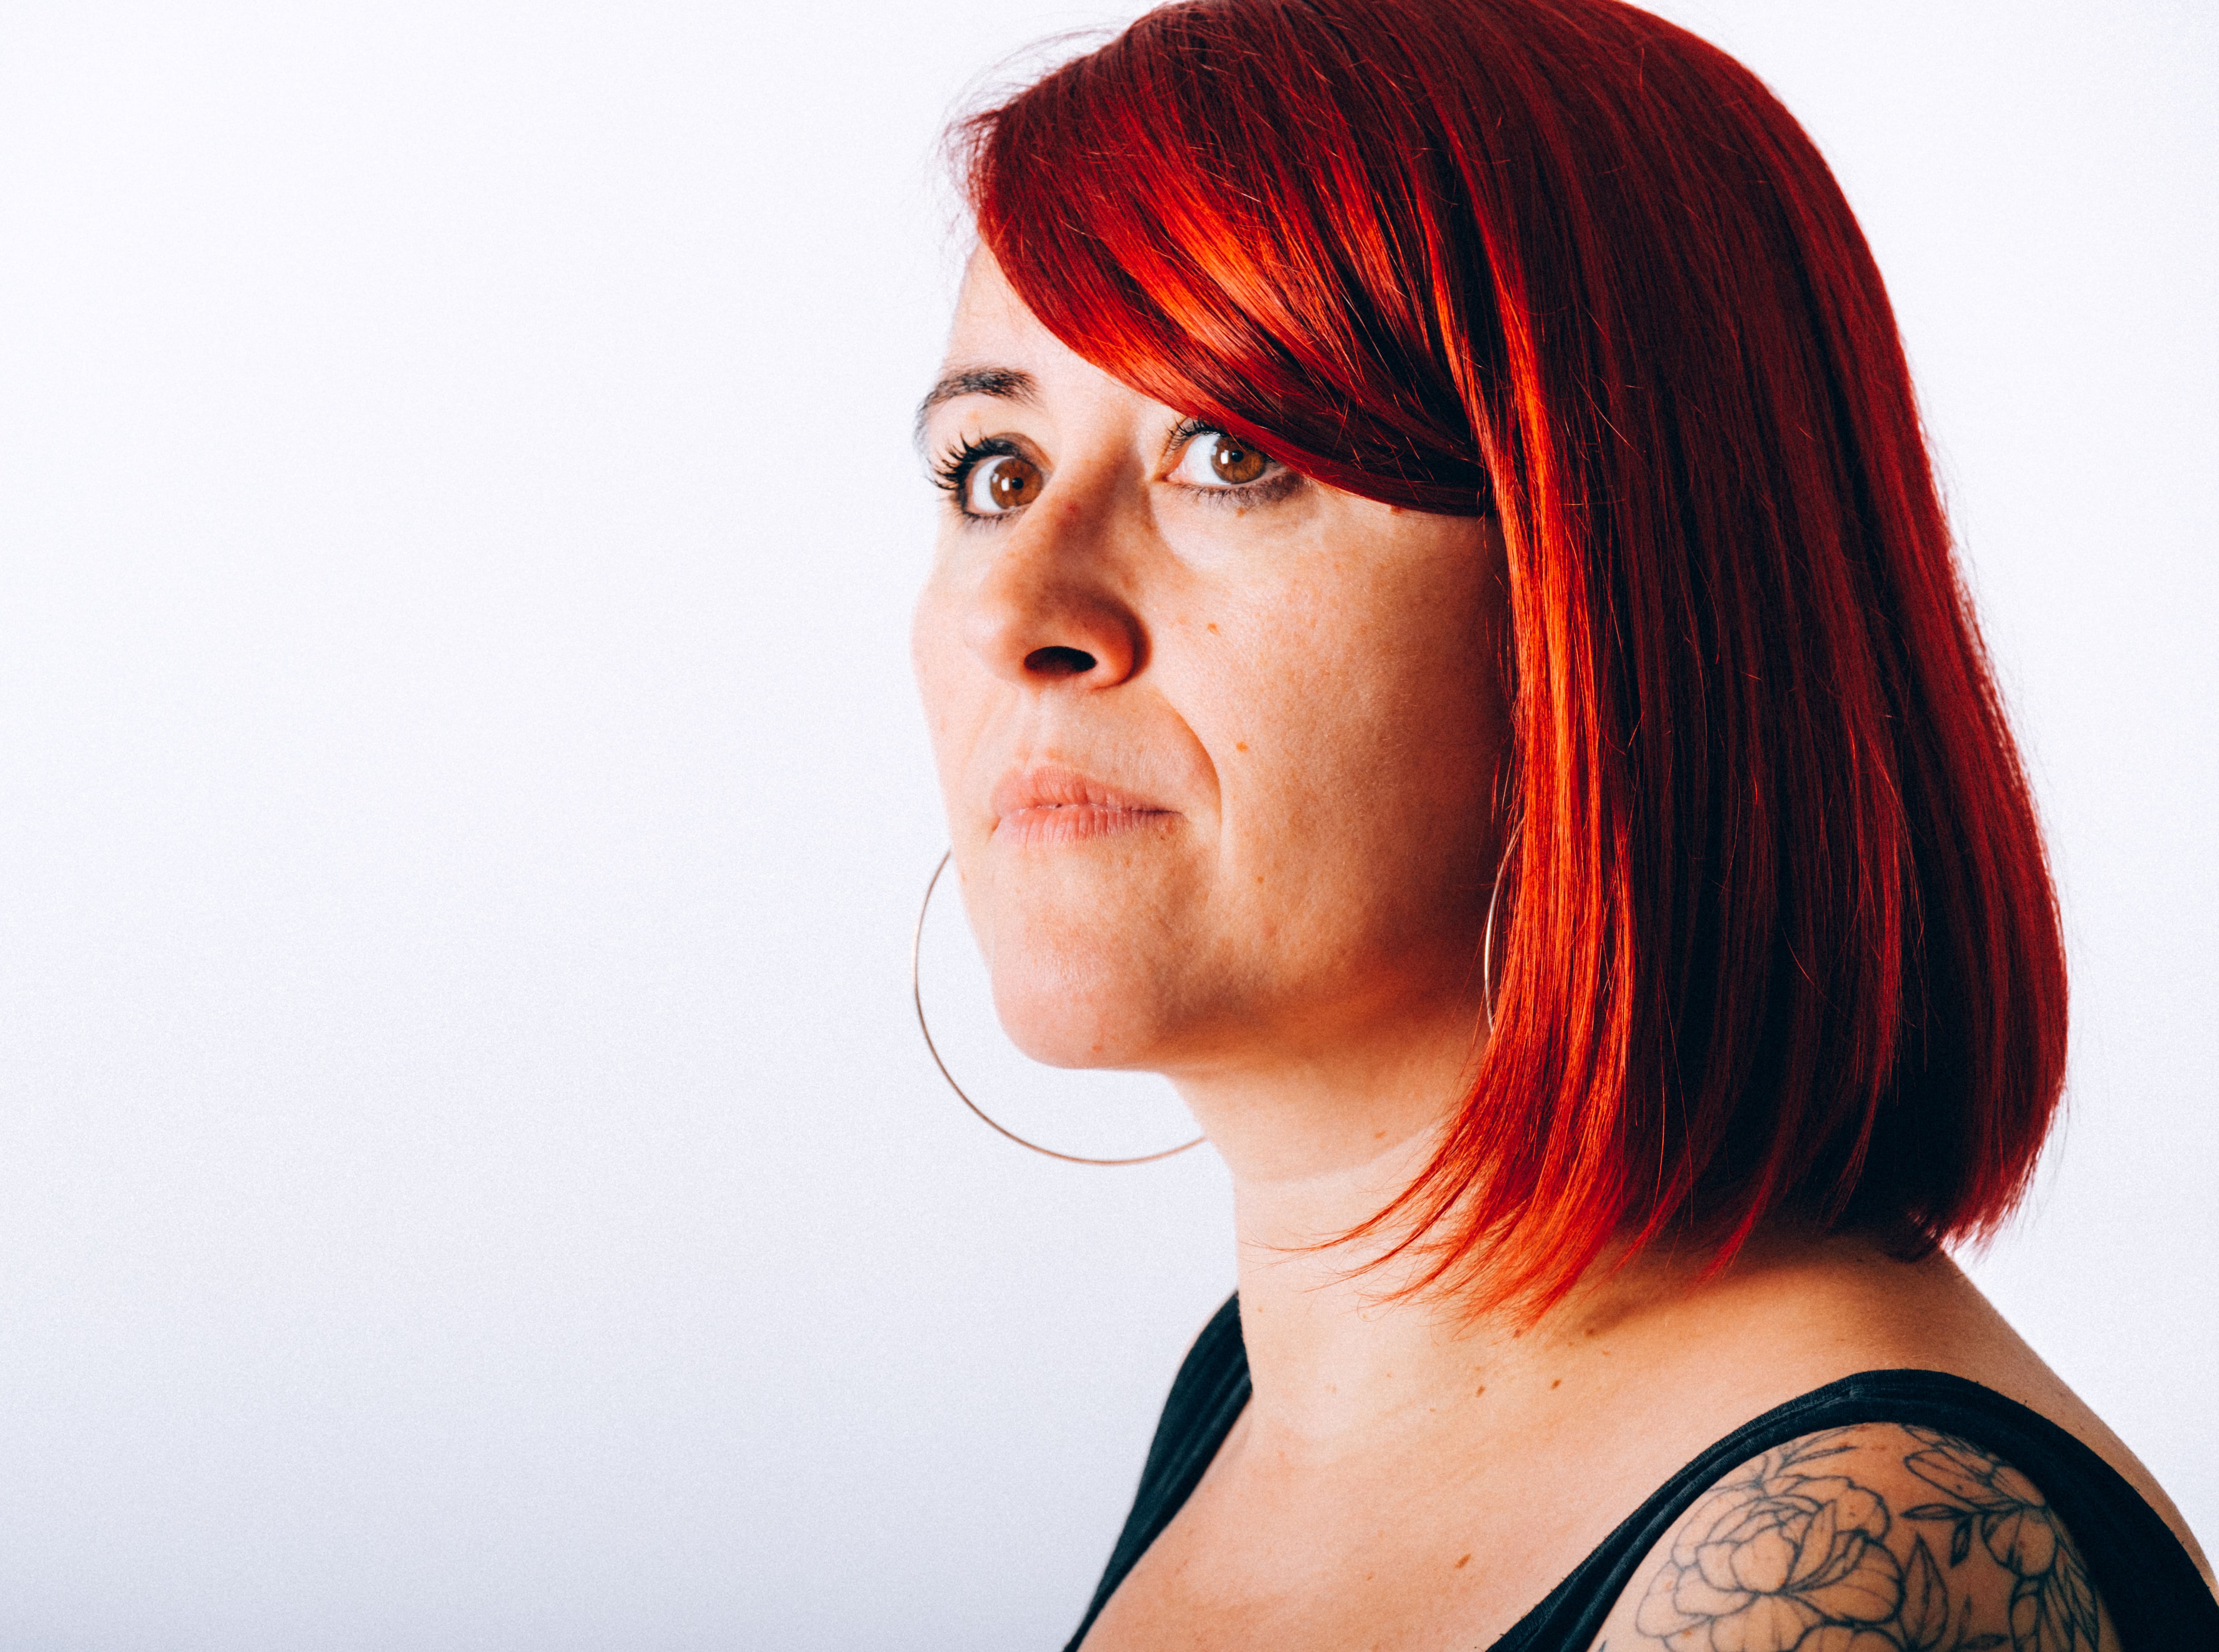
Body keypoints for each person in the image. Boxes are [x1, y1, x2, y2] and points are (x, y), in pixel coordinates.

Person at [906, 1, 2218, 1647]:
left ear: (1618, 591)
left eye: (1233, 450)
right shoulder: (1259, 1391)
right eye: (994, 468)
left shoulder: (1834, 1576)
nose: (1017, 609)